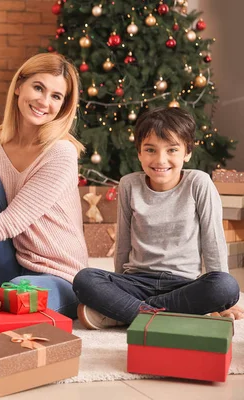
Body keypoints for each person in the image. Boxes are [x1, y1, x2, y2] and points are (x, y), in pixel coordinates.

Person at [72, 107, 243, 330]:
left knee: (226, 287)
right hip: (137, 280)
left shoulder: (198, 183)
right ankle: (158, 315)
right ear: (139, 153)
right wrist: (117, 290)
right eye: (150, 150)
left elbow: (213, 241)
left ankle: (130, 313)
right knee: (84, 279)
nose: (161, 160)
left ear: (187, 152)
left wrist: (223, 302)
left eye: (172, 150)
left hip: (183, 285)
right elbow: (123, 241)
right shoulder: (129, 184)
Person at [0, 53, 88, 319]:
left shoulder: (61, 152)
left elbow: (10, 223)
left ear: (63, 106)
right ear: (19, 86)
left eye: (56, 96)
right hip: (8, 260)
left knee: (15, 296)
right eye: (38, 88)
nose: (44, 101)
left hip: (57, 274)